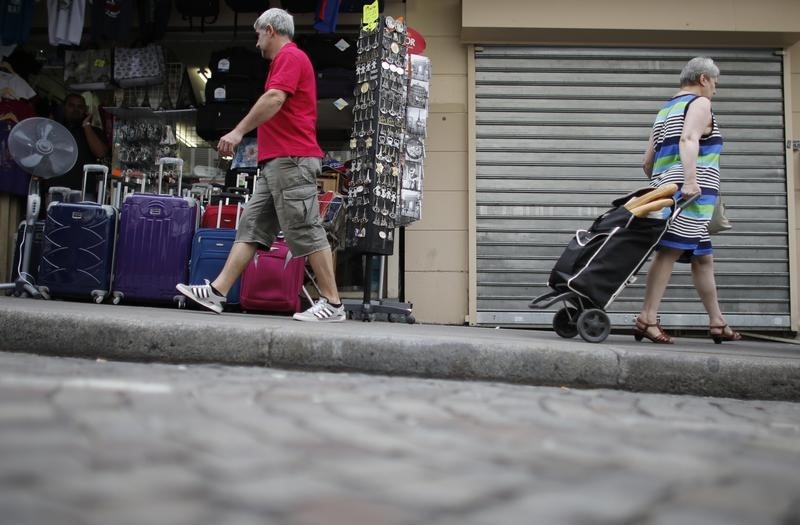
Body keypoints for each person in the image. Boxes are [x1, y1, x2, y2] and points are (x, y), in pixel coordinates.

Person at [176, 7, 345, 322]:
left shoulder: (290, 58)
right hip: (277, 162)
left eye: (257, 34)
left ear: (270, 30)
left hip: (291, 160)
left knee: (306, 227)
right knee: (251, 227)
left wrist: (238, 131)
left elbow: (274, 99)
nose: (256, 43)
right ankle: (217, 291)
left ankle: (333, 304)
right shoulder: (285, 61)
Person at [634, 56, 741, 345]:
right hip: (690, 195)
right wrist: (691, 180)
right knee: (668, 253)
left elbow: (647, 162)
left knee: (703, 258)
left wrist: (664, 181)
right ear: (703, 79)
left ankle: (717, 321)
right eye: (715, 83)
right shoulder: (700, 104)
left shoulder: (666, 110)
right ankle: (647, 317)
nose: (715, 90)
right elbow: (689, 139)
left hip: (670, 191)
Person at [48, 92, 109, 195]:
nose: (75, 109)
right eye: (71, 105)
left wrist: (86, 125)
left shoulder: (94, 131)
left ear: (85, 109)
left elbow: (101, 153)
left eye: (80, 107)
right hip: (56, 189)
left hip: (84, 192)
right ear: (64, 107)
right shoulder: (53, 129)